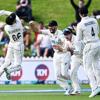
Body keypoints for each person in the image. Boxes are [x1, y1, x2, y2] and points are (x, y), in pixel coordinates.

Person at [76, 7, 100, 98]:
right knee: (96, 65)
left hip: (89, 45)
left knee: (87, 68)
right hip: (97, 42)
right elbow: (97, 31)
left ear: (80, 14)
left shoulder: (80, 24)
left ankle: (94, 88)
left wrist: (77, 51)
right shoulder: (94, 20)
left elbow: (78, 40)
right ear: (87, 12)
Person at [0, 10, 24, 80]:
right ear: (13, 21)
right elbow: (12, 14)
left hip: (11, 44)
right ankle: (9, 70)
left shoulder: (6, 28)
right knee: (18, 66)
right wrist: (2, 12)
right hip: (19, 45)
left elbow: (11, 18)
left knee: (7, 62)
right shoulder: (18, 23)